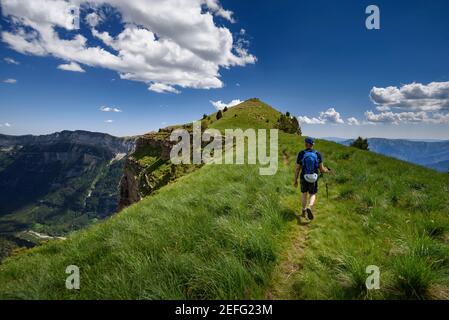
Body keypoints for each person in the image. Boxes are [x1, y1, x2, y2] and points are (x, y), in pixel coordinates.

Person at [294, 137, 329, 220]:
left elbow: (297, 168)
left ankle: (303, 211)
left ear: (305, 144)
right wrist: (327, 170)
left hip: (304, 177)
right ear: (312, 144)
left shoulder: (301, 153)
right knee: (313, 194)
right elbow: (322, 169)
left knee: (304, 194)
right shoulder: (317, 154)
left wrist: (295, 180)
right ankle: (309, 207)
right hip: (314, 177)